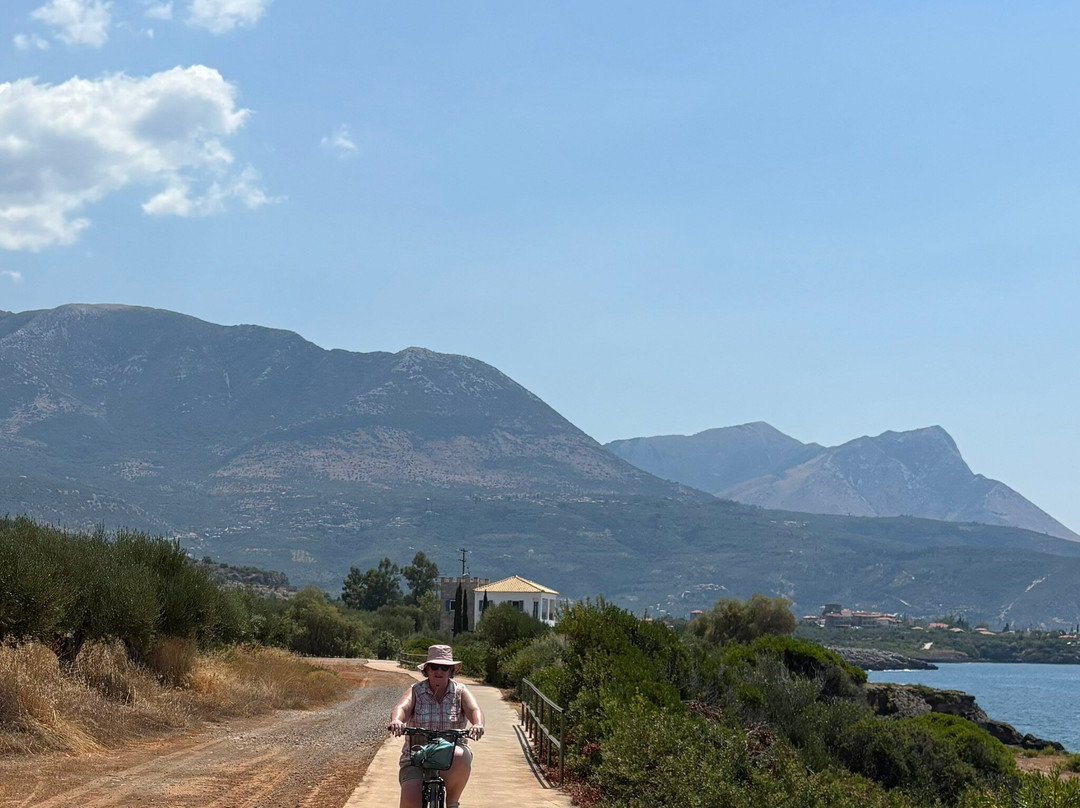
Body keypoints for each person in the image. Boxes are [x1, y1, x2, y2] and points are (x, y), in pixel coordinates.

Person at [389, 644, 485, 808]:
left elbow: (474, 709)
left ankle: (452, 803)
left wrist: (478, 724)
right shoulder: (416, 690)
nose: (439, 671)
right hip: (417, 756)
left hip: (451, 757)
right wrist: (397, 720)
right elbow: (402, 707)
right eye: (434, 666)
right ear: (426, 670)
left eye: (444, 667)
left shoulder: (460, 691)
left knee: (461, 755)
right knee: (411, 800)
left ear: (451, 671)